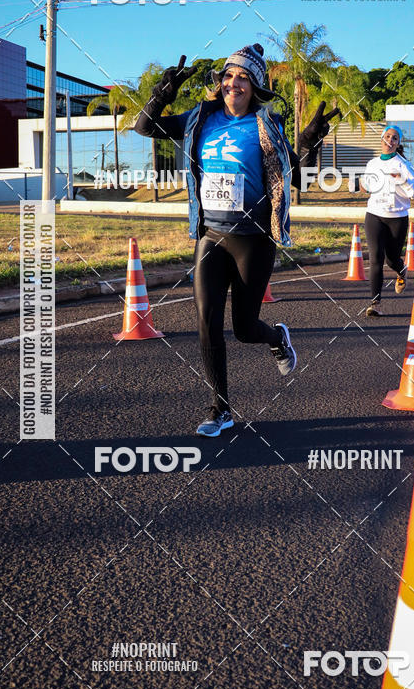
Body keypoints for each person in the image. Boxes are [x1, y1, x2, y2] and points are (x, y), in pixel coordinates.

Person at [134, 44, 338, 436]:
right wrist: (163, 94)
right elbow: (144, 127)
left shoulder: (267, 124)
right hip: (210, 235)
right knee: (207, 322)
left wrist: (309, 142)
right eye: (228, 76)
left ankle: (277, 337)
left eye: (243, 77)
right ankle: (220, 410)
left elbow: (293, 172)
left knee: (244, 329)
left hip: (254, 239)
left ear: (255, 85)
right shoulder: (200, 117)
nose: (233, 83)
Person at [360, 124, 414, 317]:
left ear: (398, 144)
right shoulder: (372, 163)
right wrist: (360, 184)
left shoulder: (403, 164)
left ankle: (401, 270)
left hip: (397, 217)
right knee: (375, 258)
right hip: (374, 215)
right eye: (387, 136)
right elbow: (366, 187)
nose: (390, 140)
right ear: (382, 139)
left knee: (391, 259)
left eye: (394, 138)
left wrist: (402, 180)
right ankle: (375, 303)